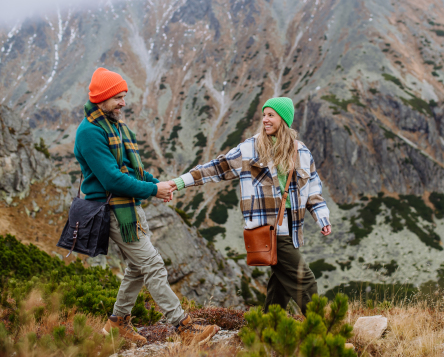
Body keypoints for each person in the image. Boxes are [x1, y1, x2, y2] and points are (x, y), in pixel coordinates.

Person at [74, 67, 219, 345]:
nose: (123, 103)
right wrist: (153, 190)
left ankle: (118, 323)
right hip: (113, 210)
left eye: (124, 96)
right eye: (118, 97)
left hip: (128, 208)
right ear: (102, 98)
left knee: (138, 267)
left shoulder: (114, 127)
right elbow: (112, 179)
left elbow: (131, 170)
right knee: (152, 265)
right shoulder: (90, 132)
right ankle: (184, 328)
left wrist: (158, 184)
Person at [169, 97, 332, 315]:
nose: (265, 119)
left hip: (293, 231)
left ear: (283, 120)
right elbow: (216, 168)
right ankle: (324, 331)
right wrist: (179, 182)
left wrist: (322, 218)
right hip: (269, 230)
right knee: (305, 280)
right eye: (264, 115)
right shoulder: (250, 149)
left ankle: (266, 328)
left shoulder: (301, 152)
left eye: (271, 115)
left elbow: (313, 189)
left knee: (280, 284)